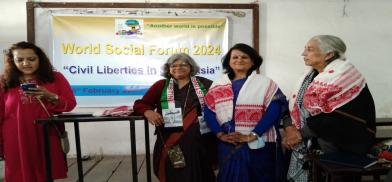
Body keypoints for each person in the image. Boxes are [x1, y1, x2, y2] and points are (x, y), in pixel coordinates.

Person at [283, 35, 376, 181]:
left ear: (329, 54)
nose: (303, 53)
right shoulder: (310, 77)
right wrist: (289, 128)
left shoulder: (344, 79)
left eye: (309, 49)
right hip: (307, 146)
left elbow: (340, 119)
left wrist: (301, 133)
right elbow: (292, 105)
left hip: (338, 150)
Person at [204, 43, 288, 182]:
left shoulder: (265, 83)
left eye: (244, 57)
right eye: (235, 57)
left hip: (259, 142)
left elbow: (274, 109)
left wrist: (254, 134)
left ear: (253, 61)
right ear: (228, 61)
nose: (239, 60)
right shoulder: (218, 84)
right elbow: (208, 110)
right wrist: (220, 134)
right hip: (228, 141)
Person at [133, 53, 217, 182]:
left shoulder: (204, 83)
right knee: (174, 173)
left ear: (191, 67)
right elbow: (141, 104)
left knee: (199, 174)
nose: (179, 67)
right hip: (171, 140)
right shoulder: (161, 85)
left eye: (183, 64)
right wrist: (148, 112)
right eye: (174, 65)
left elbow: (221, 103)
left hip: (199, 142)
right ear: (169, 68)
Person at [0, 41, 77, 181]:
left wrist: (50, 96)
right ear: (12, 61)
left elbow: (70, 104)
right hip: (15, 138)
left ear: (40, 59)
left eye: (31, 59)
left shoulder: (55, 78)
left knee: (46, 173)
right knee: (18, 175)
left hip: (47, 135)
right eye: (20, 60)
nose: (26, 63)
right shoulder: (4, 82)